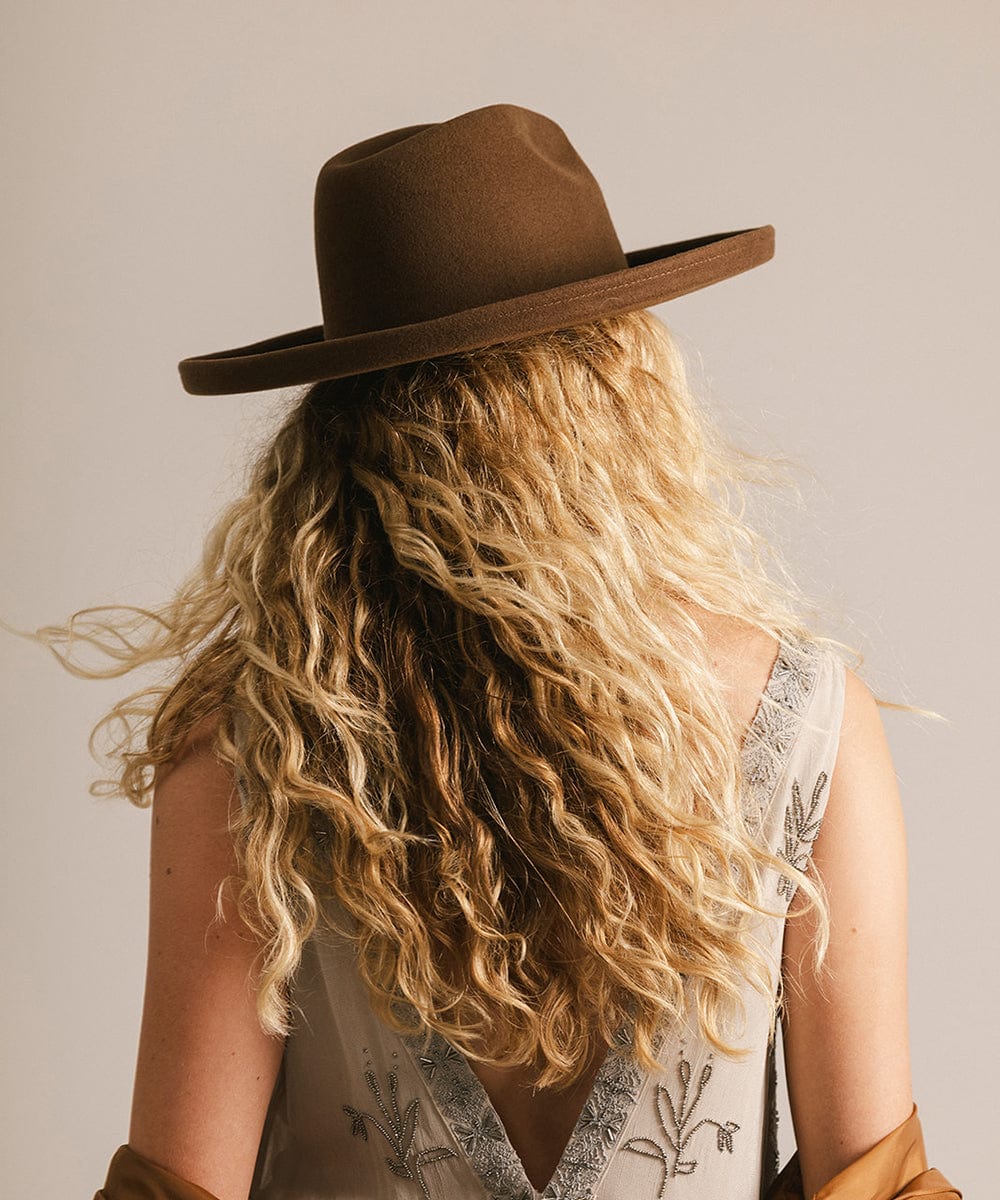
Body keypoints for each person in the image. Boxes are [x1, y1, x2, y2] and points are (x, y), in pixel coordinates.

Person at [17, 104, 958, 1199]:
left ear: (343, 430)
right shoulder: (801, 718)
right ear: (618, 390)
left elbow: (179, 1190)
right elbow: (877, 1185)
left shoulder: (245, 743)